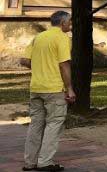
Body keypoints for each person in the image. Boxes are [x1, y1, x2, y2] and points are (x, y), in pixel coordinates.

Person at [20, 10, 75, 172]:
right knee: (54, 123)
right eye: (69, 22)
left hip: (36, 87)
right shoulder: (62, 38)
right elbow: (64, 64)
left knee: (36, 124)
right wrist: (69, 88)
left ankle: (30, 162)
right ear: (63, 23)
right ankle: (45, 162)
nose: (70, 24)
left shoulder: (38, 37)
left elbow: (24, 60)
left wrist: (40, 67)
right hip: (53, 88)